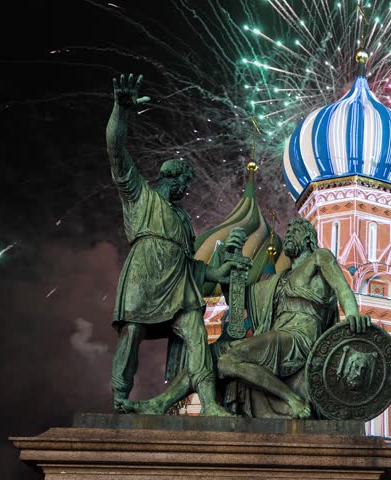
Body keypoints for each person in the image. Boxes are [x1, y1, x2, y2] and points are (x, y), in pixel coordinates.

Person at [121, 218, 371, 418]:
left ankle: (293, 400)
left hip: (299, 338)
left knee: (229, 359)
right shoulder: (278, 280)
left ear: (307, 237)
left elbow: (342, 289)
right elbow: (240, 301)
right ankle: (160, 403)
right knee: (206, 355)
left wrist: (352, 315)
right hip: (277, 337)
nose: (288, 236)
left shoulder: (320, 258)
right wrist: (229, 256)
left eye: (294, 231)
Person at [106, 73, 246, 416]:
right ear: (175, 178)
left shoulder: (183, 221)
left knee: (197, 334)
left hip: (178, 283)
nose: (188, 190)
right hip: (145, 271)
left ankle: (210, 403)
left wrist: (219, 271)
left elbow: (192, 266)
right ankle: (120, 397)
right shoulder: (141, 196)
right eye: (186, 183)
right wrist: (120, 112)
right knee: (132, 333)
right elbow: (116, 149)